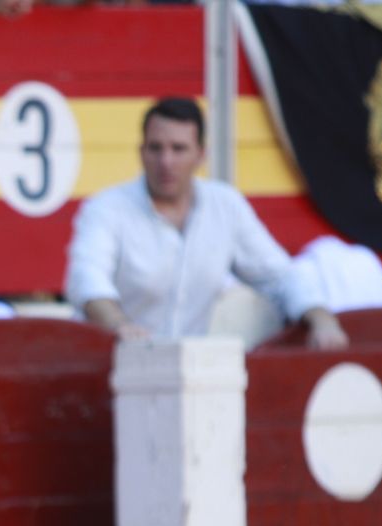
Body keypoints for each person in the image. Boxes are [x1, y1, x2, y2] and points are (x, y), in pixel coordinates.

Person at [64, 96, 348, 348]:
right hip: (109, 369)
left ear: (201, 154)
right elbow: (88, 280)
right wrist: (119, 326)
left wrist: (320, 318)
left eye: (178, 149)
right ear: (141, 152)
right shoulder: (106, 208)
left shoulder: (224, 206)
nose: (166, 161)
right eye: (156, 148)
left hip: (189, 376)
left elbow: (279, 276)